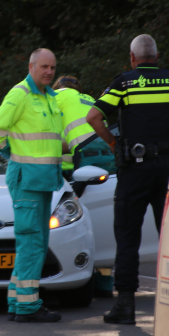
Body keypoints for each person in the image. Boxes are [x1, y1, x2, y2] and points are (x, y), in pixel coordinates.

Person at [86, 34, 169, 324]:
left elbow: (93, 117)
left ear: (132, 58)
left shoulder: (124, 83)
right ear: (157, 57)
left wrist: (112, 143)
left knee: (127, 236)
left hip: (134, 169)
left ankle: (125, 306)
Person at [0, 48, 64, 323]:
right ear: (31, 66)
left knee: (34, 242)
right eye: (44, 66)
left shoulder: (47, 96)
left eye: (52, 68)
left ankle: (17, 301)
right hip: (27, 180)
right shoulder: (21, 94)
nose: (49, 72)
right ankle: (28, 306)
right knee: (32, 242)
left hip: (41, 181)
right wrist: (11, 154)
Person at [52, 75, 115, 298]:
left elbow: (48, 139)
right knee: (101, 222)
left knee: (67, 225)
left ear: (58, 87)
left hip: (70, 171)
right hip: (104, 169)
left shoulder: (56, 96)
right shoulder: (89, 100)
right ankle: (105, 281)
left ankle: (68, 273)